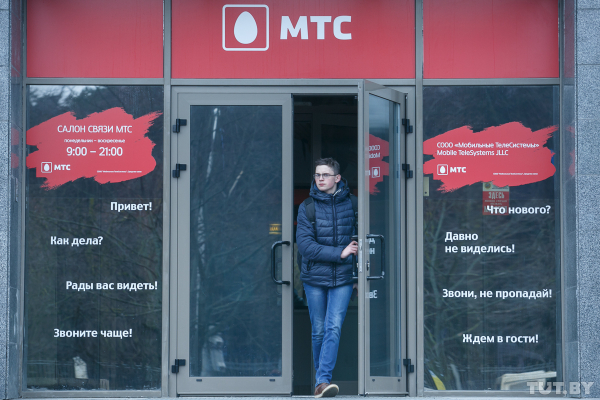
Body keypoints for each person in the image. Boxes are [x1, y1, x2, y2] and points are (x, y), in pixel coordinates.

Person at [296, 158, 358, 398]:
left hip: (343, 278)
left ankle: (322, 381)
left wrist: (358, 274)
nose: (320, 179)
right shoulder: (307, 207)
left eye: (325, 174)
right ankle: (321, 382)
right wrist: (340, 253)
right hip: (314, 279)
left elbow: (364, 242)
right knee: (319, 330)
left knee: (333, 327)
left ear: (337, 178)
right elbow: (306, 247)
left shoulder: (353, 204)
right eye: (317, 175)